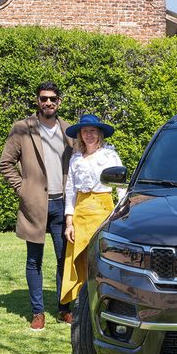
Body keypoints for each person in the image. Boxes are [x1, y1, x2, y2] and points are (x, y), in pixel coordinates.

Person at [0, 82, 74, 331]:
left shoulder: (68, 131)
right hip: (35, 206)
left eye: (53, 98)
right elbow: (6, 163)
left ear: (59, 102)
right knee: (35, 260)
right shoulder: (22, 129)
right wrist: (23, 189)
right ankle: (37, 311)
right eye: (44, 98)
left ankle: (65, 308)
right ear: (37, 101)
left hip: (62, 206)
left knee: (64, 259)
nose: (48, 103)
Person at [59, 114, 123, 306]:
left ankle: (106, 301)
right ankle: (83, 304)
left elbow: (121, 186)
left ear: (100, 134)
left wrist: (121, 213)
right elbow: (70, 188)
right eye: (85, 131)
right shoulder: (76, 158)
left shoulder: (109, 155)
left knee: (102, 258)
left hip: (103, 210)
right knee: (82, 259)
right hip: (81, 212)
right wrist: (69, 222)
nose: (89, 135)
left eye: (93, 131)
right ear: (80, 134)